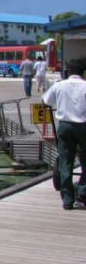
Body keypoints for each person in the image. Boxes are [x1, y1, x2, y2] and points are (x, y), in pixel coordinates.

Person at [42, 58, 86, 210]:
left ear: (68, 71)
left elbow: (46, 101)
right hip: (83, 126)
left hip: (65, 126)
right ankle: (82, 194)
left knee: (65, 162)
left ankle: (67, 199)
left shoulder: (59, 85)